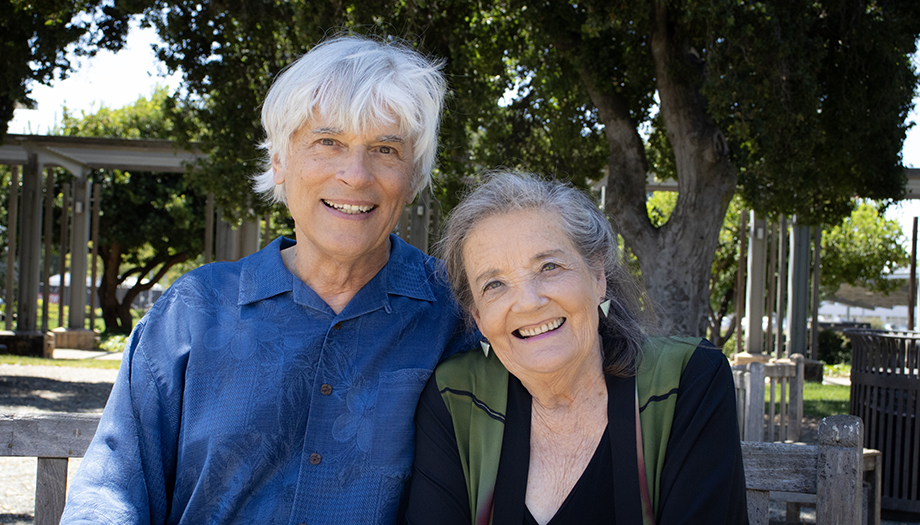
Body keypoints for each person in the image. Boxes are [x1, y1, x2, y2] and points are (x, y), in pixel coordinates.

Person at [61, 35, 478, 524]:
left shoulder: (454, 312)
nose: (356, 174)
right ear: (279, 161)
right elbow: (112, 491)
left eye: (385, 149)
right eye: (328, 142)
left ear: (413, 176)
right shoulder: (195, 312)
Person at [403, 171, 748, 525]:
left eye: (549, 266)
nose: (528, 302)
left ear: (598, 275)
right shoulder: (456, 398)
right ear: (478, 317)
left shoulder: (686, 379)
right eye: (495, 284)